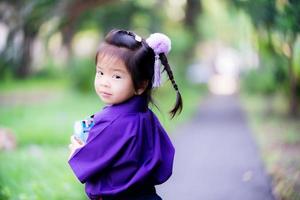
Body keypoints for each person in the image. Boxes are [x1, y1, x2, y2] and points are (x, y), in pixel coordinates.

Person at [68, 29, 183, 200]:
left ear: (141, 85)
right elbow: (163, 160)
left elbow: (88, 162)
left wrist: (77, 151)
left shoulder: (112, 122)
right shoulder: (146, 116)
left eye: (116, 76)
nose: (104, 82)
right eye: (100, 72)